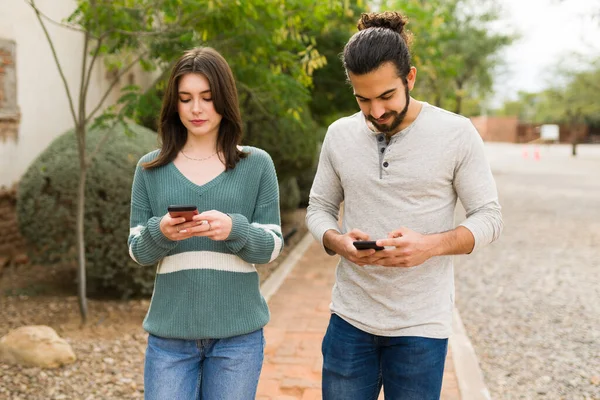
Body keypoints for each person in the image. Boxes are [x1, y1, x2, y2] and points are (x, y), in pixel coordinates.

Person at [306, 11, 503, 400]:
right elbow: (318, 208)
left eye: (386, 96)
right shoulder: (339, 135)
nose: (376, 112)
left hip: (421, 329)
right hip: (349, 322)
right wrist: (336, 241)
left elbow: (490, 218)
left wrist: (431, 245)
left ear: (409, 78)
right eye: (363, 99)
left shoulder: (456, 133)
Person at [127, 47, 283, 400]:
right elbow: (137, 249)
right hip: (170, 338)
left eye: (207, 98)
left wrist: (235, 229)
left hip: (238, 339)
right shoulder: (150, 168)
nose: (196, 109)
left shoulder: (256, 164)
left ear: (224, 100)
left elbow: (272, 245)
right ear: (174, 104)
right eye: (186, 98)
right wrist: (161, 232)